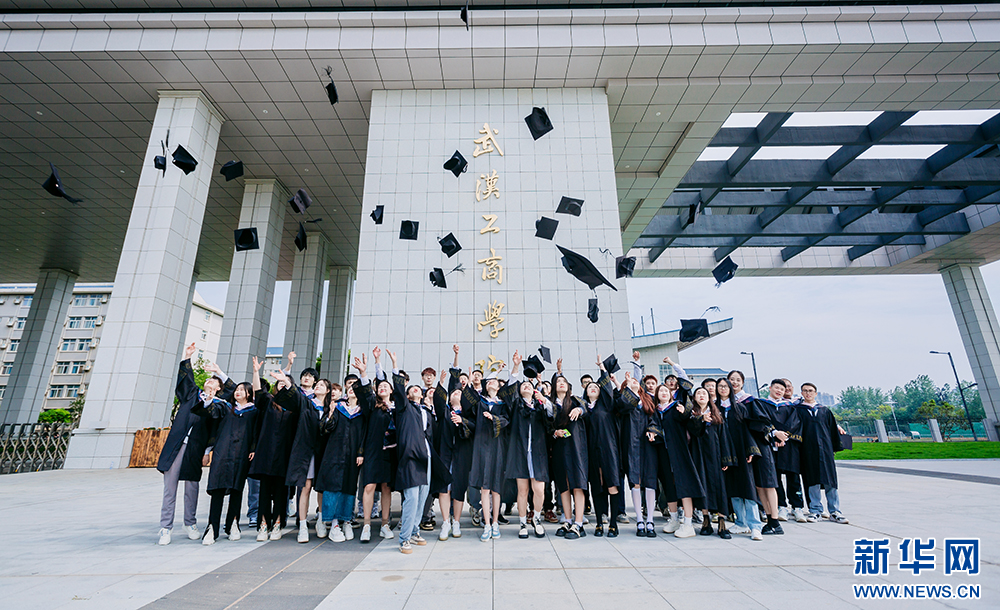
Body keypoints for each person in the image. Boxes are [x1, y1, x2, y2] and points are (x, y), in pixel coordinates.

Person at [156, 343, 232, 545]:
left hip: (196, 448)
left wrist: (207, 451)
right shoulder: (192, 395)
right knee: (170, 487)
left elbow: (232, 394)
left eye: (214, 381)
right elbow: (186, 380)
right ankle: (166, 527)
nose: (209, 381)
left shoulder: (219, 405)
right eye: (208, 379)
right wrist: (187, 357)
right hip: (177, 445)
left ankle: (189, 523)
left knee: (192, 487)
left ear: (218, 388)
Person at [388, 349, 450, 554]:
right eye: (412, 389)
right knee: (412, 498)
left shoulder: (425, 411)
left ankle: (415, 531)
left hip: (427, 458)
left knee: (422, 498)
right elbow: (398, 390)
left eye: (418, 389)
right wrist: (395, 364)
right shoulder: (404, 408)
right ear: (407, 395)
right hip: (410, 459)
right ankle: (404, 538)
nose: (416, 389)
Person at [194, 369, 261, 545]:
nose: (238, 392)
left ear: (249, 394)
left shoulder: (254, 411)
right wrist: (209, 398)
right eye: (236, 389)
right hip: (222, 453)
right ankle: (212, 528)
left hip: (241, 454)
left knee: (237, 489)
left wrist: (253, 449)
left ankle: (233, 524)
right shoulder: (225, 407)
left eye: (242, 390)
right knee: (217, 489)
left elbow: (256, 433)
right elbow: (211, 412)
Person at [315, 355, 369, 543]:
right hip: (334, 454)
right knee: (333, 487)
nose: (352, 389)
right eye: (350, 386)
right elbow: (324, 429)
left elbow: (364, 434)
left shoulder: (362, 412)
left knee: (349, 486)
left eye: (356, 386)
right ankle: (333, 523)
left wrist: (361, 452)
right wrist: (330, 414)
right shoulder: (337, 407)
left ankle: (346, 520)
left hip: (353, 455)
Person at [728, 371, 788, 539]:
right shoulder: (728, 403)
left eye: (737, 380)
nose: (734, 383)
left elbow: (763, 423)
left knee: (768, 484)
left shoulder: (750, 401)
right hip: (744, 449)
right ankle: (769, 519)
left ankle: (775, 520)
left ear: (742, 383)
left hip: (760, 446)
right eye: (731, 380)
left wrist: (774, 433)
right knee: (758, 486)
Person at [276, 368, 333, 543]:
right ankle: (302, 525)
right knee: (305, 487)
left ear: (328, 391)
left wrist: (331, 415)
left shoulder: (331, 409)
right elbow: (295, 395)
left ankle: (321, 521)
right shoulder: (307, 403)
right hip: (306, 451)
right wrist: (287, 382)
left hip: (323, 453)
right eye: (318, 384)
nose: (318, 386)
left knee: (321, 487)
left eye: (322, 385)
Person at [504, 351, 553, 539]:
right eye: (523, 385)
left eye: (529, 385)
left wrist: (544, 399)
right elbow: (510, 388)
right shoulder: (516, 405)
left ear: (534, 390)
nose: (526, 386)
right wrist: (516, 366)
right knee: (523, 490)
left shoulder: (540, 406)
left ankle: (537, 519)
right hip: (520, 453)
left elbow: (552, 415)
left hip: (538, 453)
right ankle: (523, 523)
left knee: (539, 489)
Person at [247, 358, 296, 541]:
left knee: (282, 491)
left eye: (286, 383)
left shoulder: (295, 407)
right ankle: (263, 524)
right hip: (267, 453)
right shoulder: (268, 401)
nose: (282, 385)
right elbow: (258, 390)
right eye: (280, 383)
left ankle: (277, 523)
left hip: (285, 454)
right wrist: (255, 372)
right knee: (265, 491)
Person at [646, 384, 704, 538]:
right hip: (663, 453)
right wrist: (652, 431)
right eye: (661, 391)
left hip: (679, 451)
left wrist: (684, 411)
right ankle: (674, 520)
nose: (664, 393)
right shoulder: (655, 411)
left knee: (685, 485)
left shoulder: (677, 407)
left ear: (671, 394)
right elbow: (652, 424)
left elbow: (687, 418)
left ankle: (688, 524)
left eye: (666, 390)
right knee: (668, 485)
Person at [463, 362, 512, 541]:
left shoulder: (503, 404)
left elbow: (506, 420)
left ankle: (496, 522)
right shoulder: (480, 402)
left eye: (495, 382)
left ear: (499, 387)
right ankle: (487, 524)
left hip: (497, 447)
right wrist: (470, 381)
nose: (491, 382)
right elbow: (466, 402)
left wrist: (494, 418)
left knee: (496, 488)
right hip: (481, 447)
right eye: (489, 381)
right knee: (485, 487)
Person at [581, 356, 623, 537]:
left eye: (596, 387)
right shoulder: (583, 408)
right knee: (597, 487)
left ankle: (613, 524)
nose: (593, 387)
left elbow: (607, 389)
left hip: (608, 450)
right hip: (592, 452)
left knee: (612, 485)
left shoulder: (606, 405)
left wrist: (603, 369)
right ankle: (599, 522)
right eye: (590, 386)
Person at [796, 383, 849, 524]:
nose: (808, 393)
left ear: (815, 393)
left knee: (831, 481)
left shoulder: (824, 410)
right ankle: (815, 510)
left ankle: (835, 511)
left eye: (810, 391)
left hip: (826, 450)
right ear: (801, 393)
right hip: (808, 450)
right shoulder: (798, 410)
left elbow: (832, 430)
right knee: (812, 480)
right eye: (805, 391)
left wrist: (834, 448)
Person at [360, 346, 397, 542]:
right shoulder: (372, 406)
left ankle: (384, 524)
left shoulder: (397, 408)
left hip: (391, 453)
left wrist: (392, 363)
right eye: (379, 386)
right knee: (369, 486)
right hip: (373, 451)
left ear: (391, 390)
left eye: (386, 386)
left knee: (386, 488)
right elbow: (367, 391)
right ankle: (366, 525)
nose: (382, 387)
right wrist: (365, 371)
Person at [434, 366, 474, 540]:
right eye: (453, 393)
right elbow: (438, 400)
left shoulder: (468, 414)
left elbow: (473, 427)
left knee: (458, 489)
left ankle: (456, 522)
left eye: (459, 392)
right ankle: (445, 522)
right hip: (445, 454)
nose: (456, 394)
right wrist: (441, 383)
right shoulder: (444, 412)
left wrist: (463, 421)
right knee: (445, 489)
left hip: (462, 456)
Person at [549, 364, 588, 540]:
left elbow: (586, 408)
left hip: (575, 448)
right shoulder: (550, 405)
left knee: (577, 484)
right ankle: (568, 520)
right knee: (563, 486)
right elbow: (546, 426)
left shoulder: (575, 401)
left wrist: (579, 409)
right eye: (558, 381)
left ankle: (578, 523)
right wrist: (554, 432)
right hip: (559, 448)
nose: (561, 383)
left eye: (564, 381)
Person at [688, 386, 729, 538]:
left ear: (709, 397)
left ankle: (722, 522)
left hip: (716, 456)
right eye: (698, 393)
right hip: (698, 456)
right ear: (694, 398)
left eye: (704, 393)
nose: (701, 395)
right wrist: (700, 419)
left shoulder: (717, 414)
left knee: (720, 487)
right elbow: (693, 431)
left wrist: (725, 458)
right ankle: (706, 520)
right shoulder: (691, 415)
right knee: (703, 486)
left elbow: (724, 437)